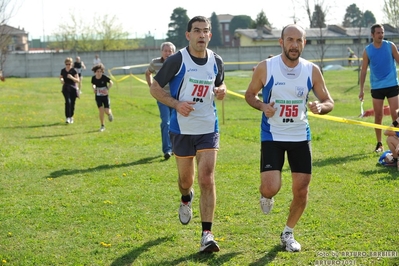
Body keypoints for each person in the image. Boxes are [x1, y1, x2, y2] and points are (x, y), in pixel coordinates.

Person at [245, 24, 334, 252]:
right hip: (272, 135)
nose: (294, 45)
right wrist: (262, 105)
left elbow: (328, 100)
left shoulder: (311, 70)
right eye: (290, 40)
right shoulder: (267, 67)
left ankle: (288, 232)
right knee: (270, 187)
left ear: (304, 43)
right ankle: (266, 196)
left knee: (302, 190)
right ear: (281, 42)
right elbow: (249, 95)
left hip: (299, 136)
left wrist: (320, 107)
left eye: (299, 41)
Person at [149, 16, 226, 253]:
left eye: (205, 31)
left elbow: (220, 85)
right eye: (197, 31)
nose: (201, 35)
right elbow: (154, 88)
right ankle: (185, 198)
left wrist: (221, 91)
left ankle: (207, 234)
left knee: (206, 178)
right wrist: (176, 104)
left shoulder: (216, 60)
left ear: (210, 35)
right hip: (182, 130)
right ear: (188, 35)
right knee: (186, 181)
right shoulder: (177, 60)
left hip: (207, 128)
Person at [359, 23, 399, 153]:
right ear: (372, 35)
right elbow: (364, 70)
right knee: (378, 116)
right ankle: (379, 143)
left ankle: (397, 141)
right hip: (377, 87)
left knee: (396, 115)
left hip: (392, 84)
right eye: (378, 33)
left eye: (382, 32)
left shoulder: (390, 46)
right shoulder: (368, 50)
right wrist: (361, 90)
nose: (381, 35)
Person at [145, 42, 176, 160]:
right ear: (161, 52)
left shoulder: (176, 62)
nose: (168, 53)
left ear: (173, 52)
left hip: (175, 98)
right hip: (162, 98)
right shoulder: (155, 63)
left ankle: (175, 147)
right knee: (165, 122)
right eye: (166, 51)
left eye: (170, 51)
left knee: (175, 123)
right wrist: (151, 88)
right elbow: (148, 73)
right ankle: (167, 149)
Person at [91, 63, 114, 132]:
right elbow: (93, 84)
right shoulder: (93, 78)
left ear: (102, 71)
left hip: (105, 96)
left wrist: (107, 88)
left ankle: (110, 114)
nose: (99, 73)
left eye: (100, 71)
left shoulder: (104, 77)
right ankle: (102, 125)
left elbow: (111, 82)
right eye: (97, 71)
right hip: (98, 96)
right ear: (95, 72)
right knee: (101, 110)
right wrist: (94, 88)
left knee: (106, 111)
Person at [60, 57, 80, 124]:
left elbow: (78, 80)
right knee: (68, 102)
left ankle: (71, 116)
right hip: (66, 88)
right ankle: (67, 117)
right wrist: (62, 80)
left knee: (72, 103)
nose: (68, 65)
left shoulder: (74, 71)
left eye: (69, 64)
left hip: (73, 88)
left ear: (71, 64)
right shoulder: (63, 70)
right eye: (67, 64)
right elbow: (61, 77)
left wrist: (72, 77)